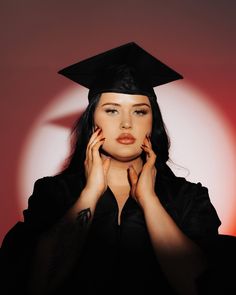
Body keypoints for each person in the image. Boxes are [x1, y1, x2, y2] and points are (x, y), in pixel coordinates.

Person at [1, 42, 233, 295]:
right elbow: (39, 284)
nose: (126, 123)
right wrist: (91, 193)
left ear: (151, 122)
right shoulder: (54, 194)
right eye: (111, 110)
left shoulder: (188, 199)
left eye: (139, 112)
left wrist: (150, 201)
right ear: (93, 121)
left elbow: (197, 287)